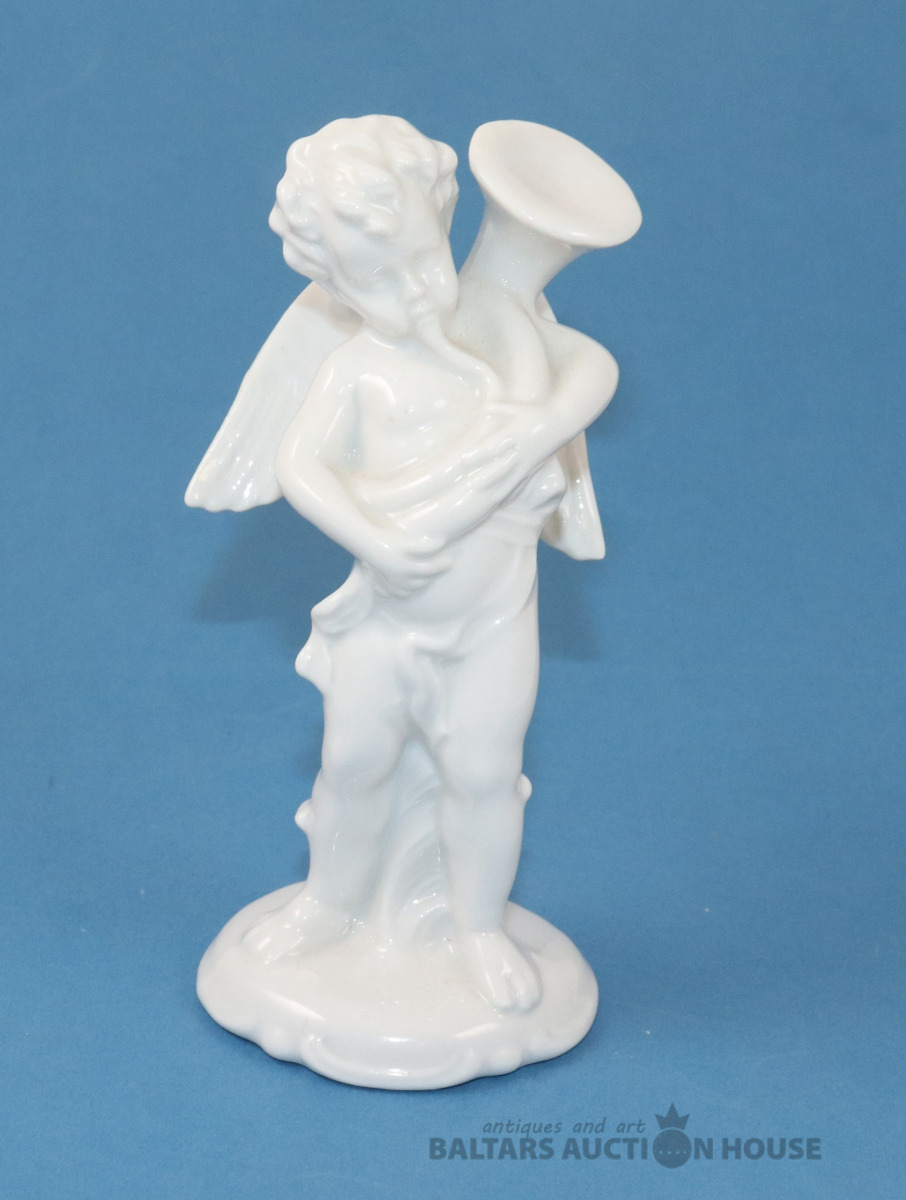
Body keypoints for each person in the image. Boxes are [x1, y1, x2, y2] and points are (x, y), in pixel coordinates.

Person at [241, 116, 614, 1011]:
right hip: (386, 619)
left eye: (420, 262)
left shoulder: (498, 334)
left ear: (445, 226)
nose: (411, 293)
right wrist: (375, 539)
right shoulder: (357, 366)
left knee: (485, 776)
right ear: (333, 286)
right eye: (375, 281)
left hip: (493, 618)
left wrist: (538, 430)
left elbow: (595, 365)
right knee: (354, 763)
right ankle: (329, 905)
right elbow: (299, 466)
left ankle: (477, 927)